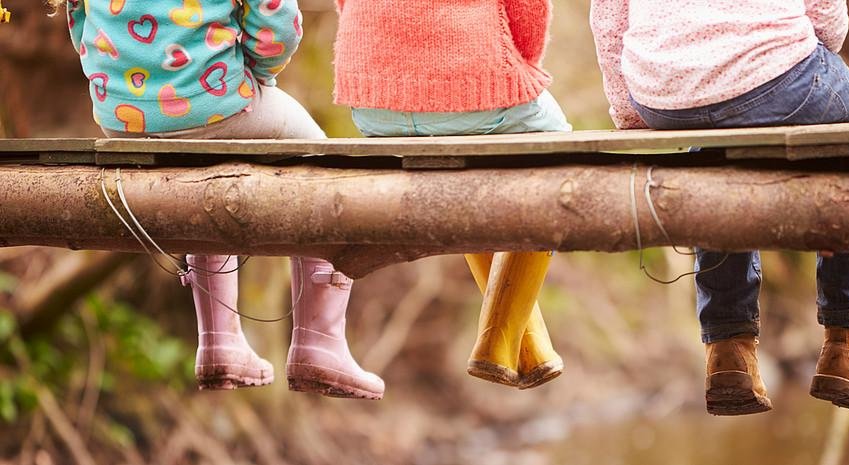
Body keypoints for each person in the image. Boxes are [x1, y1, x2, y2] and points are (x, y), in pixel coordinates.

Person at [55, 0, 383, 399]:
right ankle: (320, 343)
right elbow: (277, 27)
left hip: (122, 116)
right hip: (217, 103)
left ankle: (219, 342)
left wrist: (118, 79)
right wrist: (255, 78)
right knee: (324, 162)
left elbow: (78, 21)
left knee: (204, 162)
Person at [591, 0, 849, 414]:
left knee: (714, 149)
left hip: (664, 90)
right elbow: (826, 16)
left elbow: (608, 18)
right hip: (775, 72)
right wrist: (783, 50)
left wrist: (629, 108)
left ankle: (728, 349)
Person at [333, 0, 570, 389]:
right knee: (560, 149)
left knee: (463, 163)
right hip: (468, 89)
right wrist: (519, 68)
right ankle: (497, 338)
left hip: (374, 106)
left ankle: (529, 345)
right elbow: (529, 8)